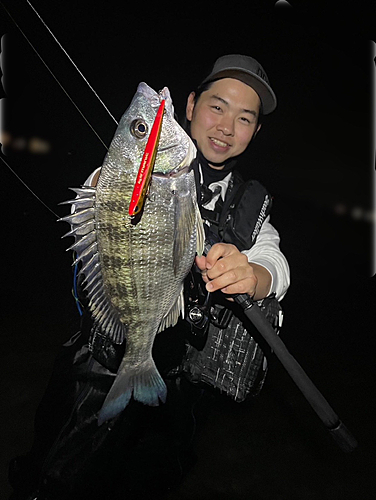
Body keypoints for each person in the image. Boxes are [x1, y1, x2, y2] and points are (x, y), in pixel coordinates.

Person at [8, 54, 289, 499]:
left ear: (255, 132)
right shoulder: (132, 175)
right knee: (59, 474)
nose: (226, 126)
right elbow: (100, 204)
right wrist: (114, 177)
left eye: (244, 118)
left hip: (178, 385)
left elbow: (276, 261)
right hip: (100, 365)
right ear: (190, 106)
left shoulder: (249, 207)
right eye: (217, 107)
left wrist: (254, 274)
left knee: (148, 481)